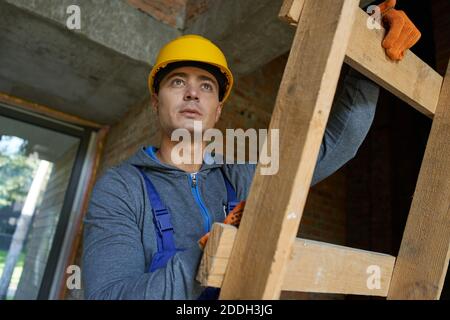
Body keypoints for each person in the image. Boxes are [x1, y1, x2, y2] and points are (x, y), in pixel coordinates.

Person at [82, 0, 420, 299]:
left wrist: (368, 39)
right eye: (177, 81)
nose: (192, 93)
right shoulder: (122, 188)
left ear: (217, 111)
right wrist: (210, 254)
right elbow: (110, 295)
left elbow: (337, 143)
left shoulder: (241, 178)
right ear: (156, 103)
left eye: (206, 86)